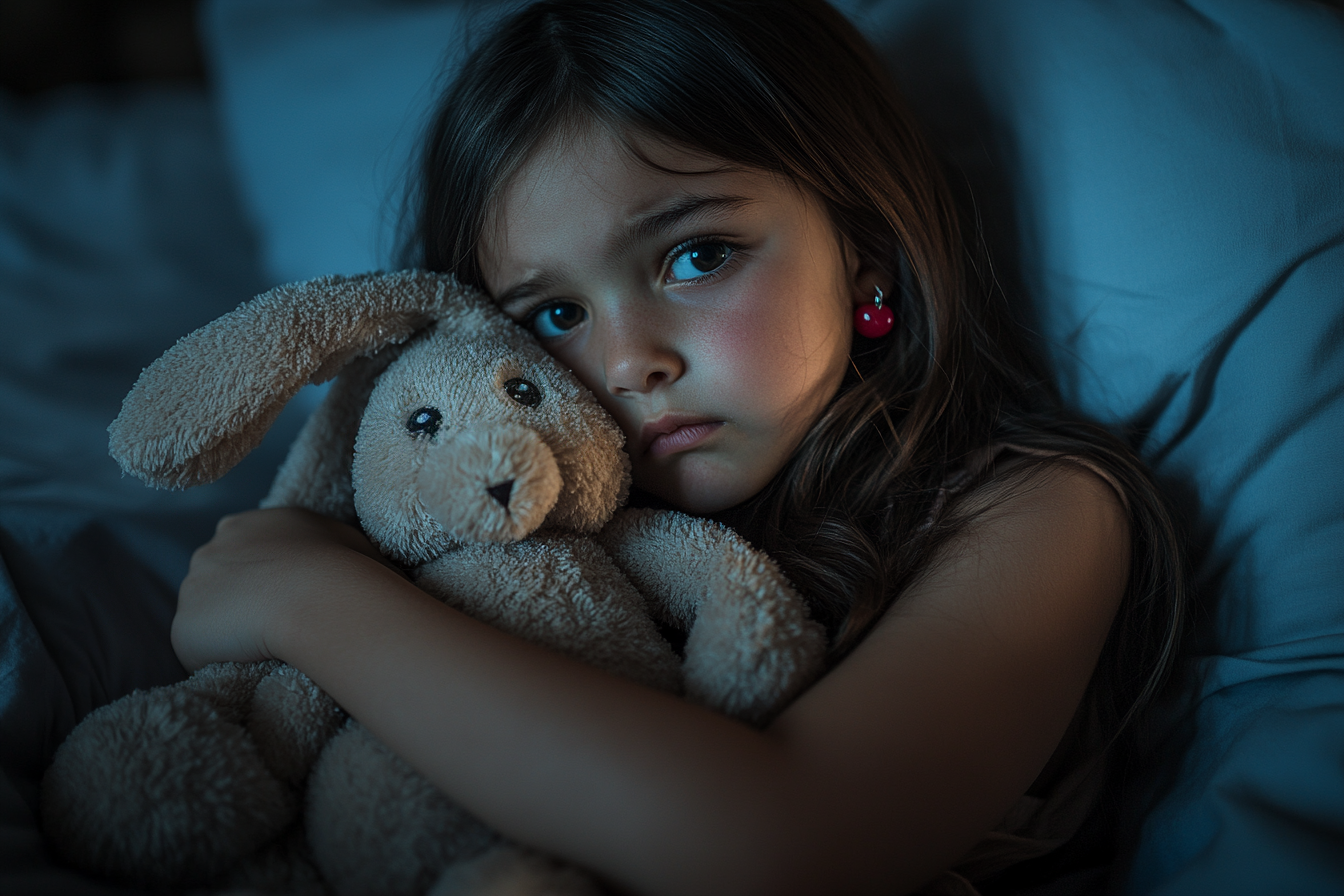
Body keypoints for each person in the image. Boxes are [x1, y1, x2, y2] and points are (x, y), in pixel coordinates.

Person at [171, 1, 1186, 893]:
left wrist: (312, 603)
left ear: (864, 250)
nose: (627, 361)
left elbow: (779, 847)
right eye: (557, 311)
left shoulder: (1041, 512)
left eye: (697, 255)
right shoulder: (510, 514)